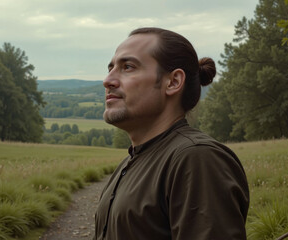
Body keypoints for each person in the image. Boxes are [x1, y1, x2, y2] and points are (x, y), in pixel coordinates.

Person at [93, 27, 249, 240]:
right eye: (110, 68)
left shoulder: (196, 158)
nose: (108, 80)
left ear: (173, 82)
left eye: (127, 67)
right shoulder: (132, 161)